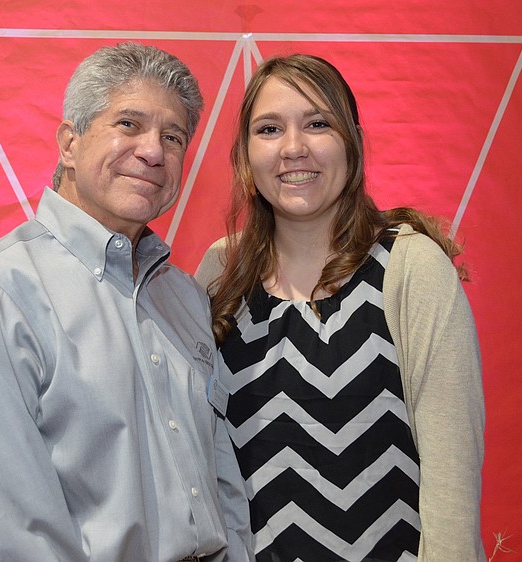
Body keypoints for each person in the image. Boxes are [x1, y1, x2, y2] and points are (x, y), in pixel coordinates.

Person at [0, 43, 253, 561]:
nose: (153, 151)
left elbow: (221, 477)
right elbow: (3, 538)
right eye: (129, 124)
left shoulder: (184, 297)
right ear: (69, 142)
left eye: (173, 136)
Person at [196, 54, 485, 561]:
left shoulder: (408, 267)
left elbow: (452, 483)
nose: (293, 148)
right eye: (269, 128)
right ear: (245, 153)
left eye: (317, 123)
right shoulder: (221, 270)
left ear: (351, 140)